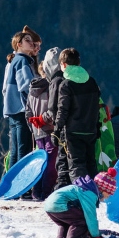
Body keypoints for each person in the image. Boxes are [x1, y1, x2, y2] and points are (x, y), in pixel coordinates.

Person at [53, 48, 101, 182]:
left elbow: (63, 110)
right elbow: (96, 108)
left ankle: (81, 198)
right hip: (90, 131)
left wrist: (56, 130)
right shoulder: (92, 82)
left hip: (73, 132)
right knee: (91, 164)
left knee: (76, 166)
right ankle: (93, 198)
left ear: (64, 65)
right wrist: (97, 126)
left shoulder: (66, 84)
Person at [43, 168, 117, 238]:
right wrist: (96, 236)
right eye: (109, 193)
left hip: (49, 206)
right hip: (60, 204)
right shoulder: (90, 193)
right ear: (103, 189)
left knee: (67, 222)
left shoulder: (84, 187)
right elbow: (90, 217)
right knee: (82, 221)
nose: (108, 197)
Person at [25, 51, 60, 200]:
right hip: (50, 130)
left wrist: (33, 127)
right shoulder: (52, 87)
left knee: (40, 163)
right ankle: (47, 193)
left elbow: (28, 111)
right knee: (51, 165)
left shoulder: (32, 89)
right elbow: (53, 110)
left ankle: (36, 192)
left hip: (38, 132)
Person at [38, 47, 71, 190]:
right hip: (77, 126)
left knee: (61, 162)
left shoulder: (55, 81)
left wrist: (50, 123)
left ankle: (59, 194)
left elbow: (53, 109)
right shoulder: (69, 78)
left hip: (62, 127)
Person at [2, 31, 36, 168]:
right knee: (24, 150)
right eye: (27, 40)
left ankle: (11, 185)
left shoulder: (14, 61)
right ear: (19, 44)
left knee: (15, 152)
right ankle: (23, 186)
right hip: (22, 110)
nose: (31, 42)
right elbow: (27, 86)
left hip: (12, 110)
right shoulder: (22, 60)